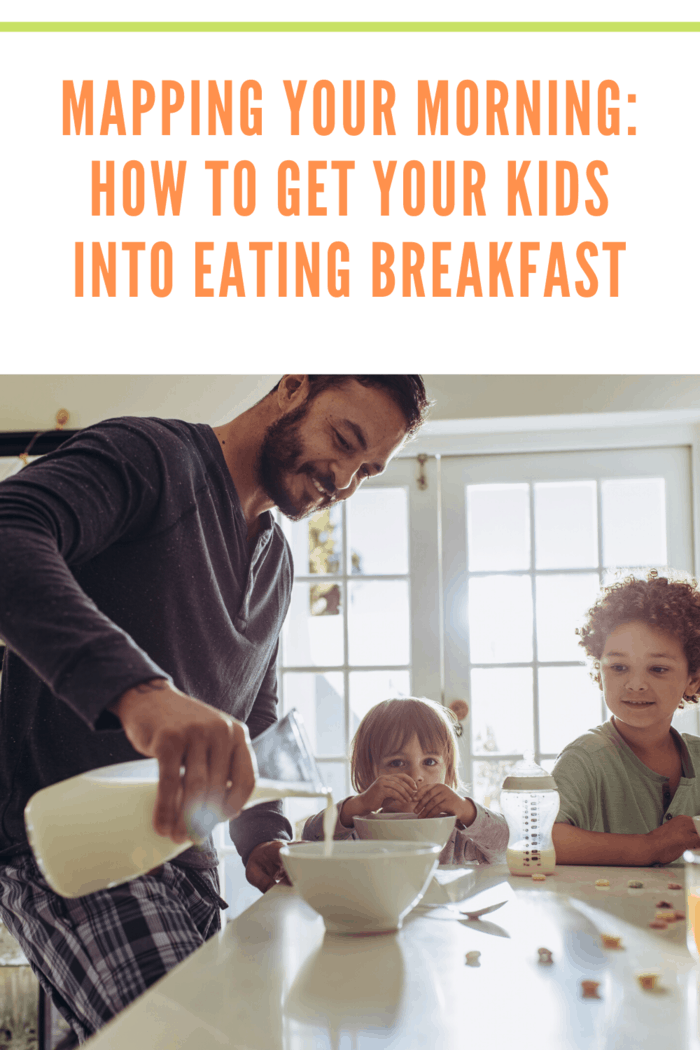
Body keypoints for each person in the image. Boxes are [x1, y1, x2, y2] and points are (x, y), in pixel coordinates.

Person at [0, 373, 431, 1044]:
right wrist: (140, 692)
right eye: (343, 441)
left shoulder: (277, 563)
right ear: (292, 388)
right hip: (75, 847)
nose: (344, 480)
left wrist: (262, 838)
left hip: (186, 860)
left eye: (367, 470)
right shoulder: (151, 459)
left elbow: (254, 713)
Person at [552, 570, 700, 866]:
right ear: (599, 673)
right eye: (619, 668)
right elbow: (542, 838)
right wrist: (648, 848)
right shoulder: (585, 759)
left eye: (657, 669)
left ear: (693, 680)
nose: (635, 684)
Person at [303, 697, 508, 865]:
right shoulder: (358, 829)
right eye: (397, 763)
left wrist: (467, 810)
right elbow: (310, 840)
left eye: (429, 761)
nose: (415, 775)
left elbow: (508, 846)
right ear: (368, 774)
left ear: (448, 773)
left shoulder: (460, 832)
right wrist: (358, 805)